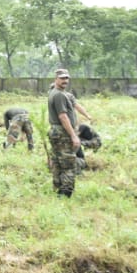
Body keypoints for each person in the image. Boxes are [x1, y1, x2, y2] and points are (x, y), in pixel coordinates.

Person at [48, 69, 84, 198]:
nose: (65, 81)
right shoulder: (59, 95)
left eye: (67, 78)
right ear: (56, 79)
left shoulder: (54, 92)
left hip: (55, 131)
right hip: (62, 132)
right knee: (68, 163)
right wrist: (73, 135)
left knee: (57, 161)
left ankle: (58, 188)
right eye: (62, 78)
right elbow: (63, 116)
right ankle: (65, 193)